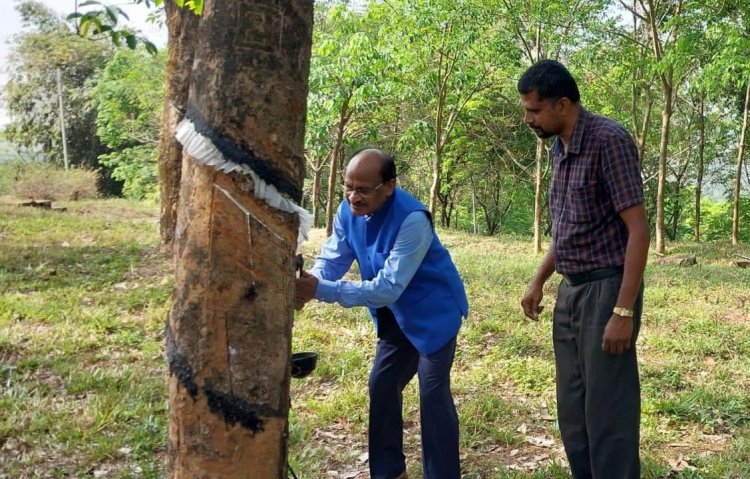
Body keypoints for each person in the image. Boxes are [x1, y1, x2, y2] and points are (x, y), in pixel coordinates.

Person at [295, 148, 468, 479]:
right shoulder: (348, 212)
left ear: (389, 186)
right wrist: (311, 281)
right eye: (348, 187)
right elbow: (333, 259)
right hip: (393, 317)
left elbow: (388, 286)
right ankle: (389, 472)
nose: (353, 197)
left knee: (432, 396)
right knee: (382, 385)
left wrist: (320, 290)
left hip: (433, 313)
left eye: (363, 189)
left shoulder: (413, 219)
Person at [517, 60, 649, 479]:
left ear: (563, 104)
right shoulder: (560, 148)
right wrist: (539, 280)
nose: (528, 120)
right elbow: (569, 227)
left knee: (608, 411)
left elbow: (639, 230)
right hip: (570, 292)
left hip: (607, 290)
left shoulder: (608, 141)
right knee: (573, 410)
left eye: (535, 111)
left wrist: (623, 311)